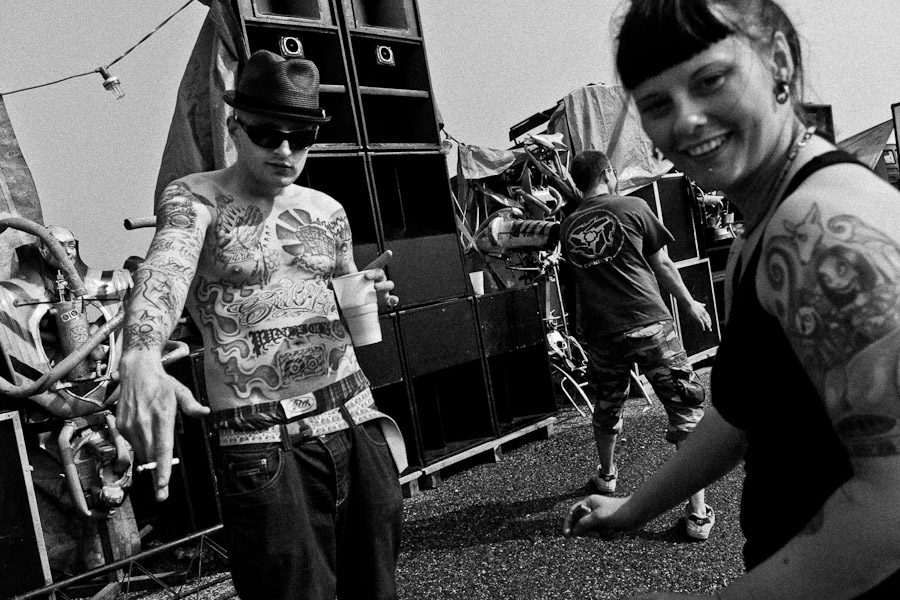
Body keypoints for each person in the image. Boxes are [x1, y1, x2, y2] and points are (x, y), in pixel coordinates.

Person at [563, 0, 900, 598]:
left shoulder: (819, 233)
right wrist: (634, 508)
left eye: (709, 80)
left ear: (779, 62)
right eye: (657, 104)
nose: (686, 121)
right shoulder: (764, 230)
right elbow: (743, 411)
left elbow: (892, 507)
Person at [114, 49, 405, 600]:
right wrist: (141, 353)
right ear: (235, 127)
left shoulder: (328, 211)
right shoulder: (196, 198)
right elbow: (167, 267)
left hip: (355, 417)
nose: (286, 150)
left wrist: (368, 295)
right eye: (268, 134)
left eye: (302, 136)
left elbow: (343, 291)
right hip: (264, 440)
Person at [560, 148, 715, 540]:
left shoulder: (568, 226)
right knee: (685, 409)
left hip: (601, 332)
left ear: (578, 182)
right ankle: (697, 516)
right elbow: (662, 264)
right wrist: (690, 302)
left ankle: (608, 476)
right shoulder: (633, 206)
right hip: (648, 323)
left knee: (607, 405)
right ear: (609, 173)